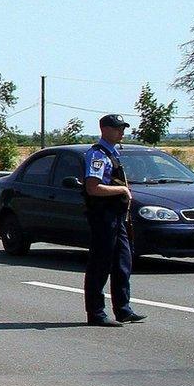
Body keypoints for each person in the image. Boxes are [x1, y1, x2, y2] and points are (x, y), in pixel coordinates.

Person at [81, 114, 147, 326]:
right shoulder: (98, 155)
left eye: (122, 128)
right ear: (105, 129)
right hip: (103, 216)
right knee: (100, 264)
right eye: (117, 128)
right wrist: (122, 189)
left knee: (122, 263)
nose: (121, 132)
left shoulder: (113, 153)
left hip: (117, 217)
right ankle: (96, 313)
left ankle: (123, 309)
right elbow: (93, 187)